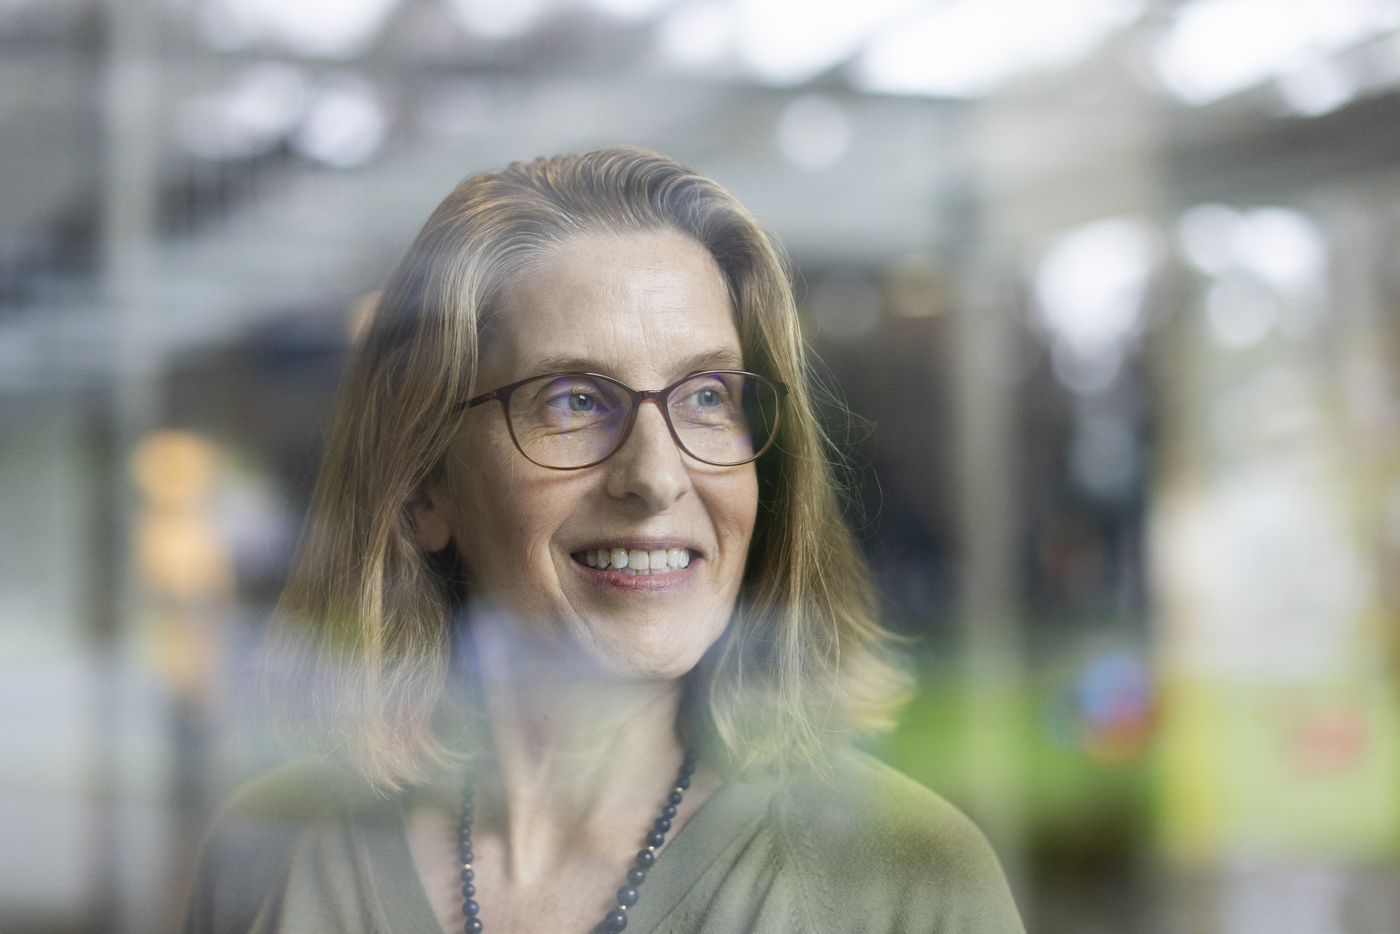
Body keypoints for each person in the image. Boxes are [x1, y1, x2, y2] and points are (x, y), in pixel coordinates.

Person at [184, 147, 1024, 934]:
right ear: (424, 488)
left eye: (706, 396)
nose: (656, 477)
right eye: (574, 401)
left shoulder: (910, 880)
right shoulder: (269, 856)